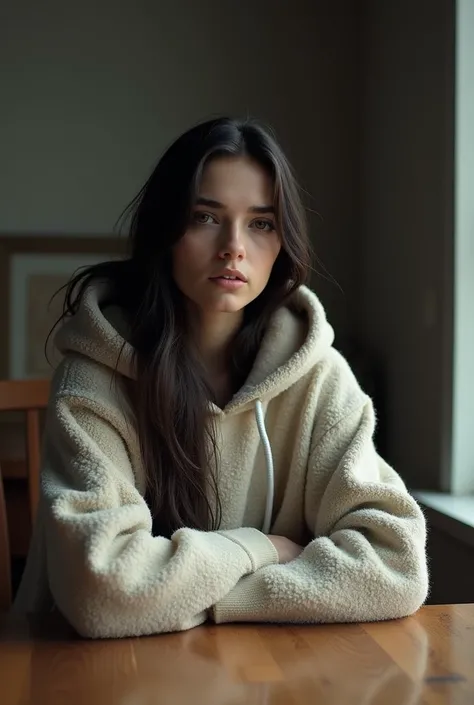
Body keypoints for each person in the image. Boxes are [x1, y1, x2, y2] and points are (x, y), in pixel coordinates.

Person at [13, 117, 428, 638]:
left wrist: (178, 594)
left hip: (262, 676)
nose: (234, 246)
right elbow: (103, 590)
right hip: (88, 673)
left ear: (283, 243)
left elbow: (395, 566)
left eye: (261, 223)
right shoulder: (93, 379)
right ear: (166, 230)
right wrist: (264, 548)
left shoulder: (320, 378)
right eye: (205, 217)